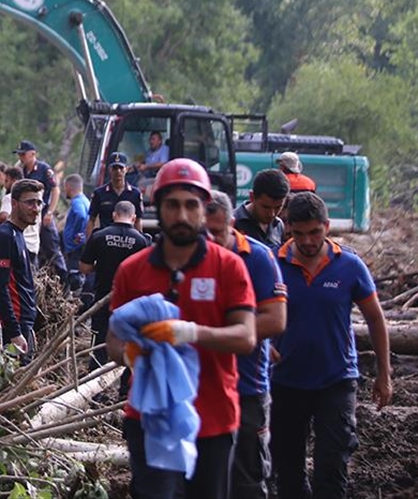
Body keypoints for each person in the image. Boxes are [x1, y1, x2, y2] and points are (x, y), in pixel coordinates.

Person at [106, 159, 257, 499]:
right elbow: (113, 343)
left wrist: (189, 333)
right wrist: (131, 353)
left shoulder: (228, 267)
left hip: (214, 419)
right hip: (149, 419)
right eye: (172, 205)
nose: (182, 215)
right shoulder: (132, 270)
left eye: (191, 205)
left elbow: (245, 337)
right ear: (158, 207)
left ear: (204, 209)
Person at [271, 191, 392, 499]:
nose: (308, 241)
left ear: (326, 226)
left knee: (332, 464)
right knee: (287, 469)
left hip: (336, 380)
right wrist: (261, 342)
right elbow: (250, 311)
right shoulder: (273, 264)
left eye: (315, 232)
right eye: (299, 234)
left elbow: (376, 319)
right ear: (288, 228)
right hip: (286, 380)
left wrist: (384, 374)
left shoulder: (350, 266)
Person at [205, 190, 287, 499]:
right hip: (199, 386)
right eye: (205, 231)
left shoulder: (259, 257)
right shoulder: (188, 256)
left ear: (232, 223)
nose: (210, 240)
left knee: (247, 477)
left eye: (217, 231)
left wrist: (217, 336)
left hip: (246, 385)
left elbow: (276, 320)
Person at [79, 201, 151, 368]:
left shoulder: (99, 236)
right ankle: (124, 391)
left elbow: (84, 267)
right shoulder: (143, 241)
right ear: (134, 218)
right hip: (130, 303)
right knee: (130, 346)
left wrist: (103, 265)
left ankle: (94, 389)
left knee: (98, 346)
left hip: (102, 299)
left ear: (114, 215)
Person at [0, 178, 43, 363]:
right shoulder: (5, 237)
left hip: (23, 324)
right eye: (30, 202)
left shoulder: (17, 234)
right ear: (14, 203)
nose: (36, 208)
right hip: (12, 328)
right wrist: (14, 333)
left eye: (39, 202)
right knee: (10, 385)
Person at [15, 140, 66, 275]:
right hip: (28, 216)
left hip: (42, 214)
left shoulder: (44, 169)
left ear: (33, 154)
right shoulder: (21, 170)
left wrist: (49, 212)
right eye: (19, 155)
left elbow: (55, 190)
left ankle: (67, 285)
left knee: (53, 250)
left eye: (23, 154)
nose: (21, 158)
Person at [86, 152, 143, 241]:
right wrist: (88, 243)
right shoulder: (99, 193)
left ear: (126, 169)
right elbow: (91, 220)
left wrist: (141, 242)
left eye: (121, 168)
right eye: (115, 168)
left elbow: (138, 221)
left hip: (128, 242)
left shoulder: (135, 194)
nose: (118, 171)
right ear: (109, 170)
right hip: (105, 241)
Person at [233, 168, 289, 247]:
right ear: (252, 197)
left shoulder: (278, 225)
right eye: (265, 207)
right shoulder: (233, 223)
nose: (272, 214)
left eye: (278, 207)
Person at [61, 174, 90, 294]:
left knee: (74, 276)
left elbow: (81, 215)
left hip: (75, 247)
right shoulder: (85, 200)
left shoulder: (77, 201)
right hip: (79, 245)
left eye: (64, 187)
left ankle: (75, 300)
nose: (64, 190)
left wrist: (76, 235)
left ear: (69, 187)